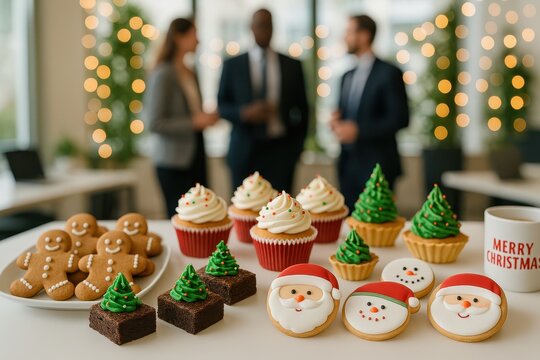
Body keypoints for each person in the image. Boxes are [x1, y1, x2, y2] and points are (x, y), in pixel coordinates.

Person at [218, 8, 308, 193]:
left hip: (280, 152)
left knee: (282, 213)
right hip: (243, 151)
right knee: (244, 213)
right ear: (250, 28)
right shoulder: (232, 65)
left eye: (268, 25)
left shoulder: (292, 65)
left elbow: (304, 110)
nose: (264, 30)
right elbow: (221, 106)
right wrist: (244, 113)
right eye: (260, 25)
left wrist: (296, 148)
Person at [331, 14, 409, 211]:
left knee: (378, 231)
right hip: (348, 166)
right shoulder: (346, 76)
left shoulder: (389, 73)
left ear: (365, 35)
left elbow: (401, 119)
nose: (344, 37)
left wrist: (358, 131)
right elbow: (346, 117)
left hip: (378, 166)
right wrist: (336, 123)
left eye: (349, 32)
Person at [144, 18, 219, 218]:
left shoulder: (190, 72)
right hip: (173, 161)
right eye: (194, 34)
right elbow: (155, 122)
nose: (199, 40)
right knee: (179, 217)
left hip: (196, 152)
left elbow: (192, 113)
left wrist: (205, 118)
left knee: (203, 215)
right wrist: (194, 122)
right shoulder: (163, 74)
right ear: (179, 37)